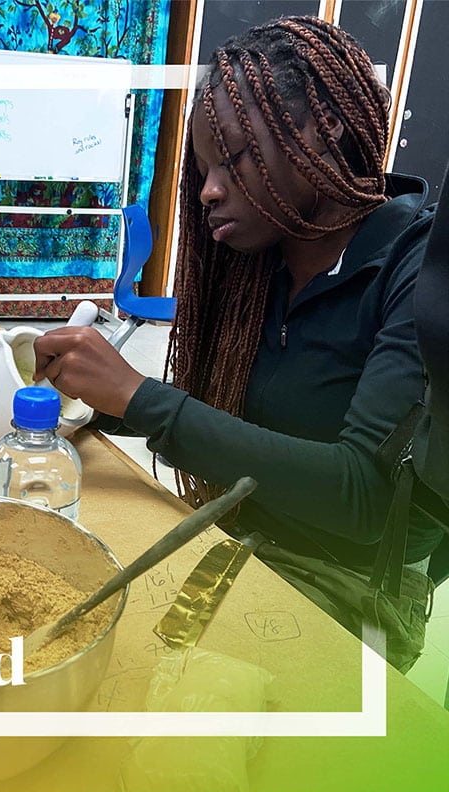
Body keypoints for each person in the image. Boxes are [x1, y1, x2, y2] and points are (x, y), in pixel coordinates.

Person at [32, 15, 441, 671]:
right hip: (239, 537)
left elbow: (363, 496)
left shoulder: (417, 269)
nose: (208, 190)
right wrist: (91, 393)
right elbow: (227, 408)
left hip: (344, 588)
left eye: (235, 158)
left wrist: (142, 399)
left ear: (326, 123)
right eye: (202, 170)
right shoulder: (264, 262)